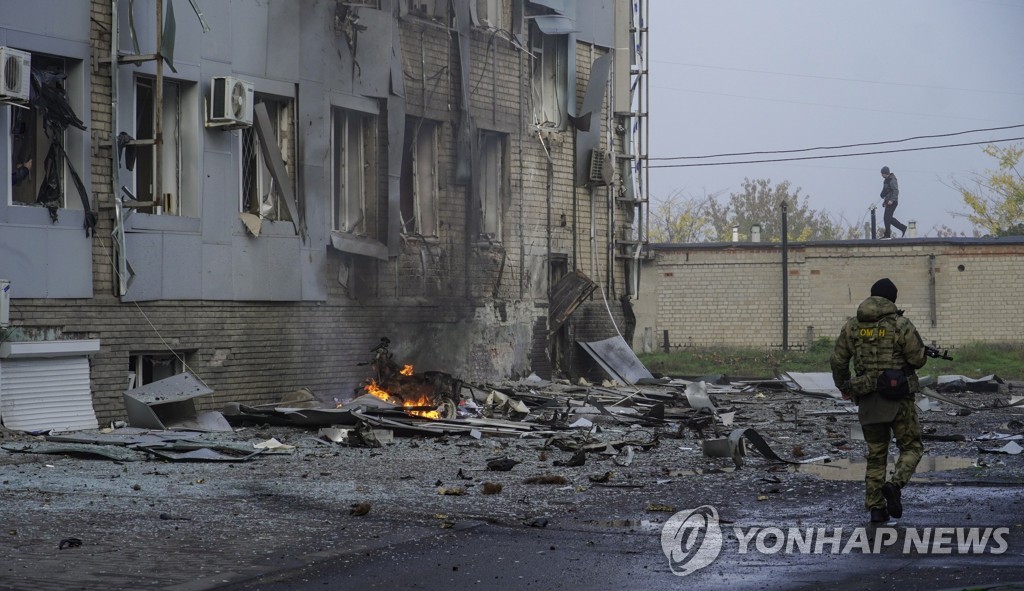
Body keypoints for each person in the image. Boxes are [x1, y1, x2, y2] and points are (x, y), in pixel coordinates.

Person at [829, 278, 927, 523]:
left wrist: (845, 387)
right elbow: (917, 360)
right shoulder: (901, 325)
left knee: (876, 454)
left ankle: (876, 508)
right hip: (899, 398)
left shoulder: (852, 326)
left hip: (868, 397)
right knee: (912, 447)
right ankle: (895, 484)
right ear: (892, 300)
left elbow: (838, 361)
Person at [879, 166, 907, 239]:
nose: (881, 175)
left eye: (882, 174)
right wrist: (884, 200)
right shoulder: (886, 180)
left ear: (885, 173)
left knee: (887, 218)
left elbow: (895, 191)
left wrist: (892, 200)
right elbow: (886, 191)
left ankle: (887, 235)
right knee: (888, 218)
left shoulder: (892, 180)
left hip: (893, 202)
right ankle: (903, 228)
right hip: (888, 201)